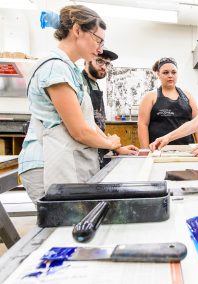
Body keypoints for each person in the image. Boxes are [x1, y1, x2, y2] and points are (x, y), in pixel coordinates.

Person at [18, 5, 124, 203]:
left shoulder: (70, 70)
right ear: (77, 30)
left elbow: (87, 123)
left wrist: (115, 147)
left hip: (63, 159)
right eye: (98, 39)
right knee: (60, 226)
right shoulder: (55, 68)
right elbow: (79, 131)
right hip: (46, 163)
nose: (100, 48)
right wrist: (110, 143)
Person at [82, 48, 137, 168]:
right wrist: (112, 145)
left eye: (107, 63)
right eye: (99, 61)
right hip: (84, 150)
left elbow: (96, 125)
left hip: (96, 147)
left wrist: (117, 148)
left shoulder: (94, 83)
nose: (104, 67)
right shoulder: (80, 84)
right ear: (86, 60)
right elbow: (87, 124)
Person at [138, 57, 198, 148]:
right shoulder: (150, 97)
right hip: (158, 149)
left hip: (186, 149)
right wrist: (145, 150)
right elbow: (142, 125)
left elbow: (197, 123)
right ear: (158, 74)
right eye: (165, 72)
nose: (170, 75)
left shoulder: (188, 97)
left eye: (173, 72)